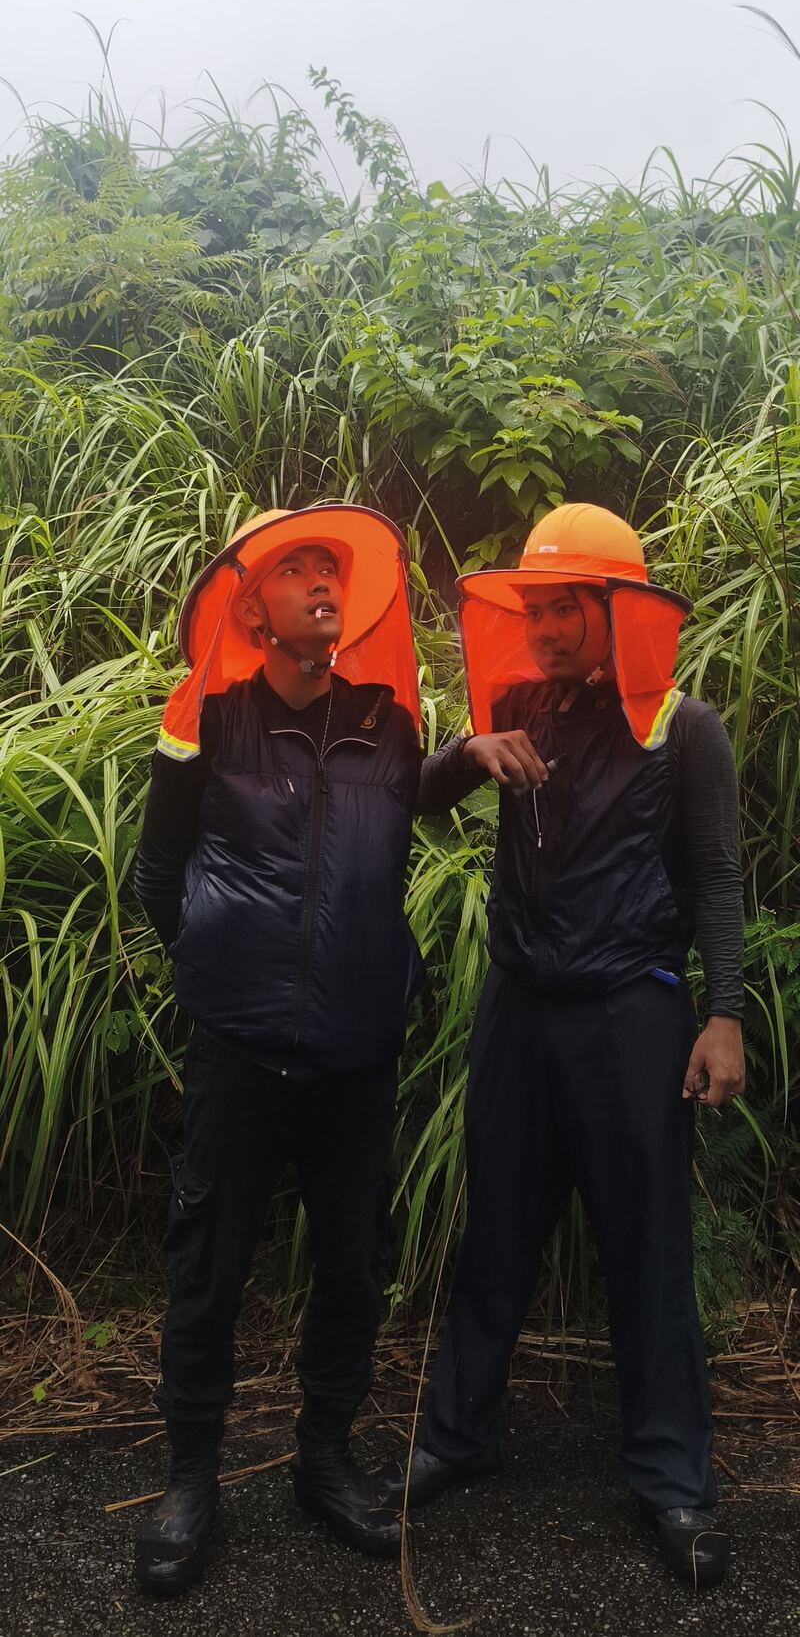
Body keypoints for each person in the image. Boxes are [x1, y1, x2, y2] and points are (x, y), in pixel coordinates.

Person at [379, 503, 745, 1591]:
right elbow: (413, 800)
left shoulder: (683, 725)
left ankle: (670, 1475)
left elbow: (717, 877)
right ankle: (456, 1432)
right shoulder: (516, 705)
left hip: (632, 1009)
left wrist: (721, 1012)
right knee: (494, 1223)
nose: (541, 624)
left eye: (561, 605)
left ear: (615, 609)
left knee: (645, 1243)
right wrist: (461, 748)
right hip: (518, 1003)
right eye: (531, 605)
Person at [133, 504, 425, 1596]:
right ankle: (190, 1475)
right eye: (295, 567)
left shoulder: (387, 723)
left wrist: (469, 758)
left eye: (329, 567)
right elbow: (159, 874)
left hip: (355, 1047)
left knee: (352, 1263)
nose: (319, 581)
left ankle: (323, 1458)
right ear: (249, 605)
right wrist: (218, 969)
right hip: (241, 1049)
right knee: (208, 1265)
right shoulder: (206, 716)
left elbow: (401, 816)